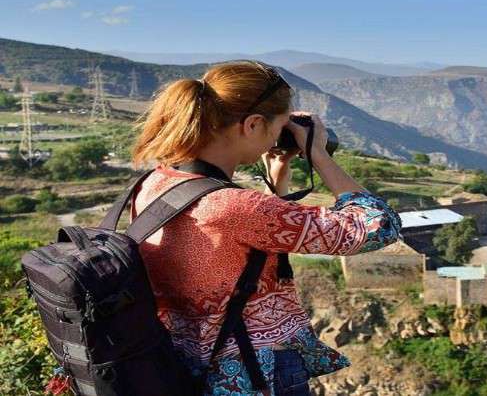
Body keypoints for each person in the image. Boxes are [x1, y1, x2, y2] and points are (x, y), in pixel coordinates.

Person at [130, 61, 401, 395]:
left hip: (184, 365)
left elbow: (238, 251)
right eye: (279, 126)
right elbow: (378, 227)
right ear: (254, 124)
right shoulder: (238, 207)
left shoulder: (154, 183)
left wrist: (278, 183)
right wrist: (319, 155)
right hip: (256, 371)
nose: (280, 135)